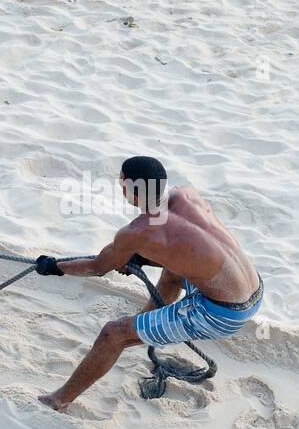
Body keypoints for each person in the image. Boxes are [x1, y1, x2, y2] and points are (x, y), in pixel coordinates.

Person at [36, 156, 263, 411]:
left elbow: (98, 267)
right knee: (172, 274)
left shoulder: (137, 232)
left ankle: (59, 400)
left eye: (121, 184)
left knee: (113, 334)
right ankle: (145, 329)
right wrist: (139, 258)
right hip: (254, 290)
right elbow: (187, 249)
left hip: (223, 314)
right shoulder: (187, 195)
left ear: (131, 195)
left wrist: (54, 267)